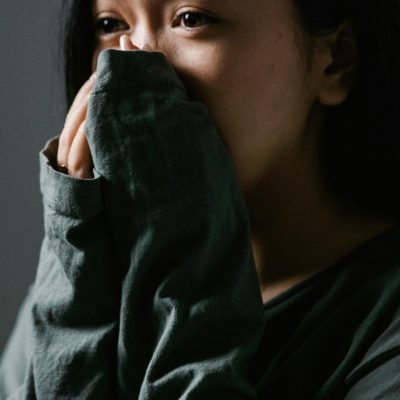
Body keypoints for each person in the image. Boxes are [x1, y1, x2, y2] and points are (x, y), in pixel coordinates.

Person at [1, 0, 400, 398]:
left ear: (335, 61)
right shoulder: (77, 287)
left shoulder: (385, 328)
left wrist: (185, 266)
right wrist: (74, 255)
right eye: (109, 24)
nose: (128, 64)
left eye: (191, 19)